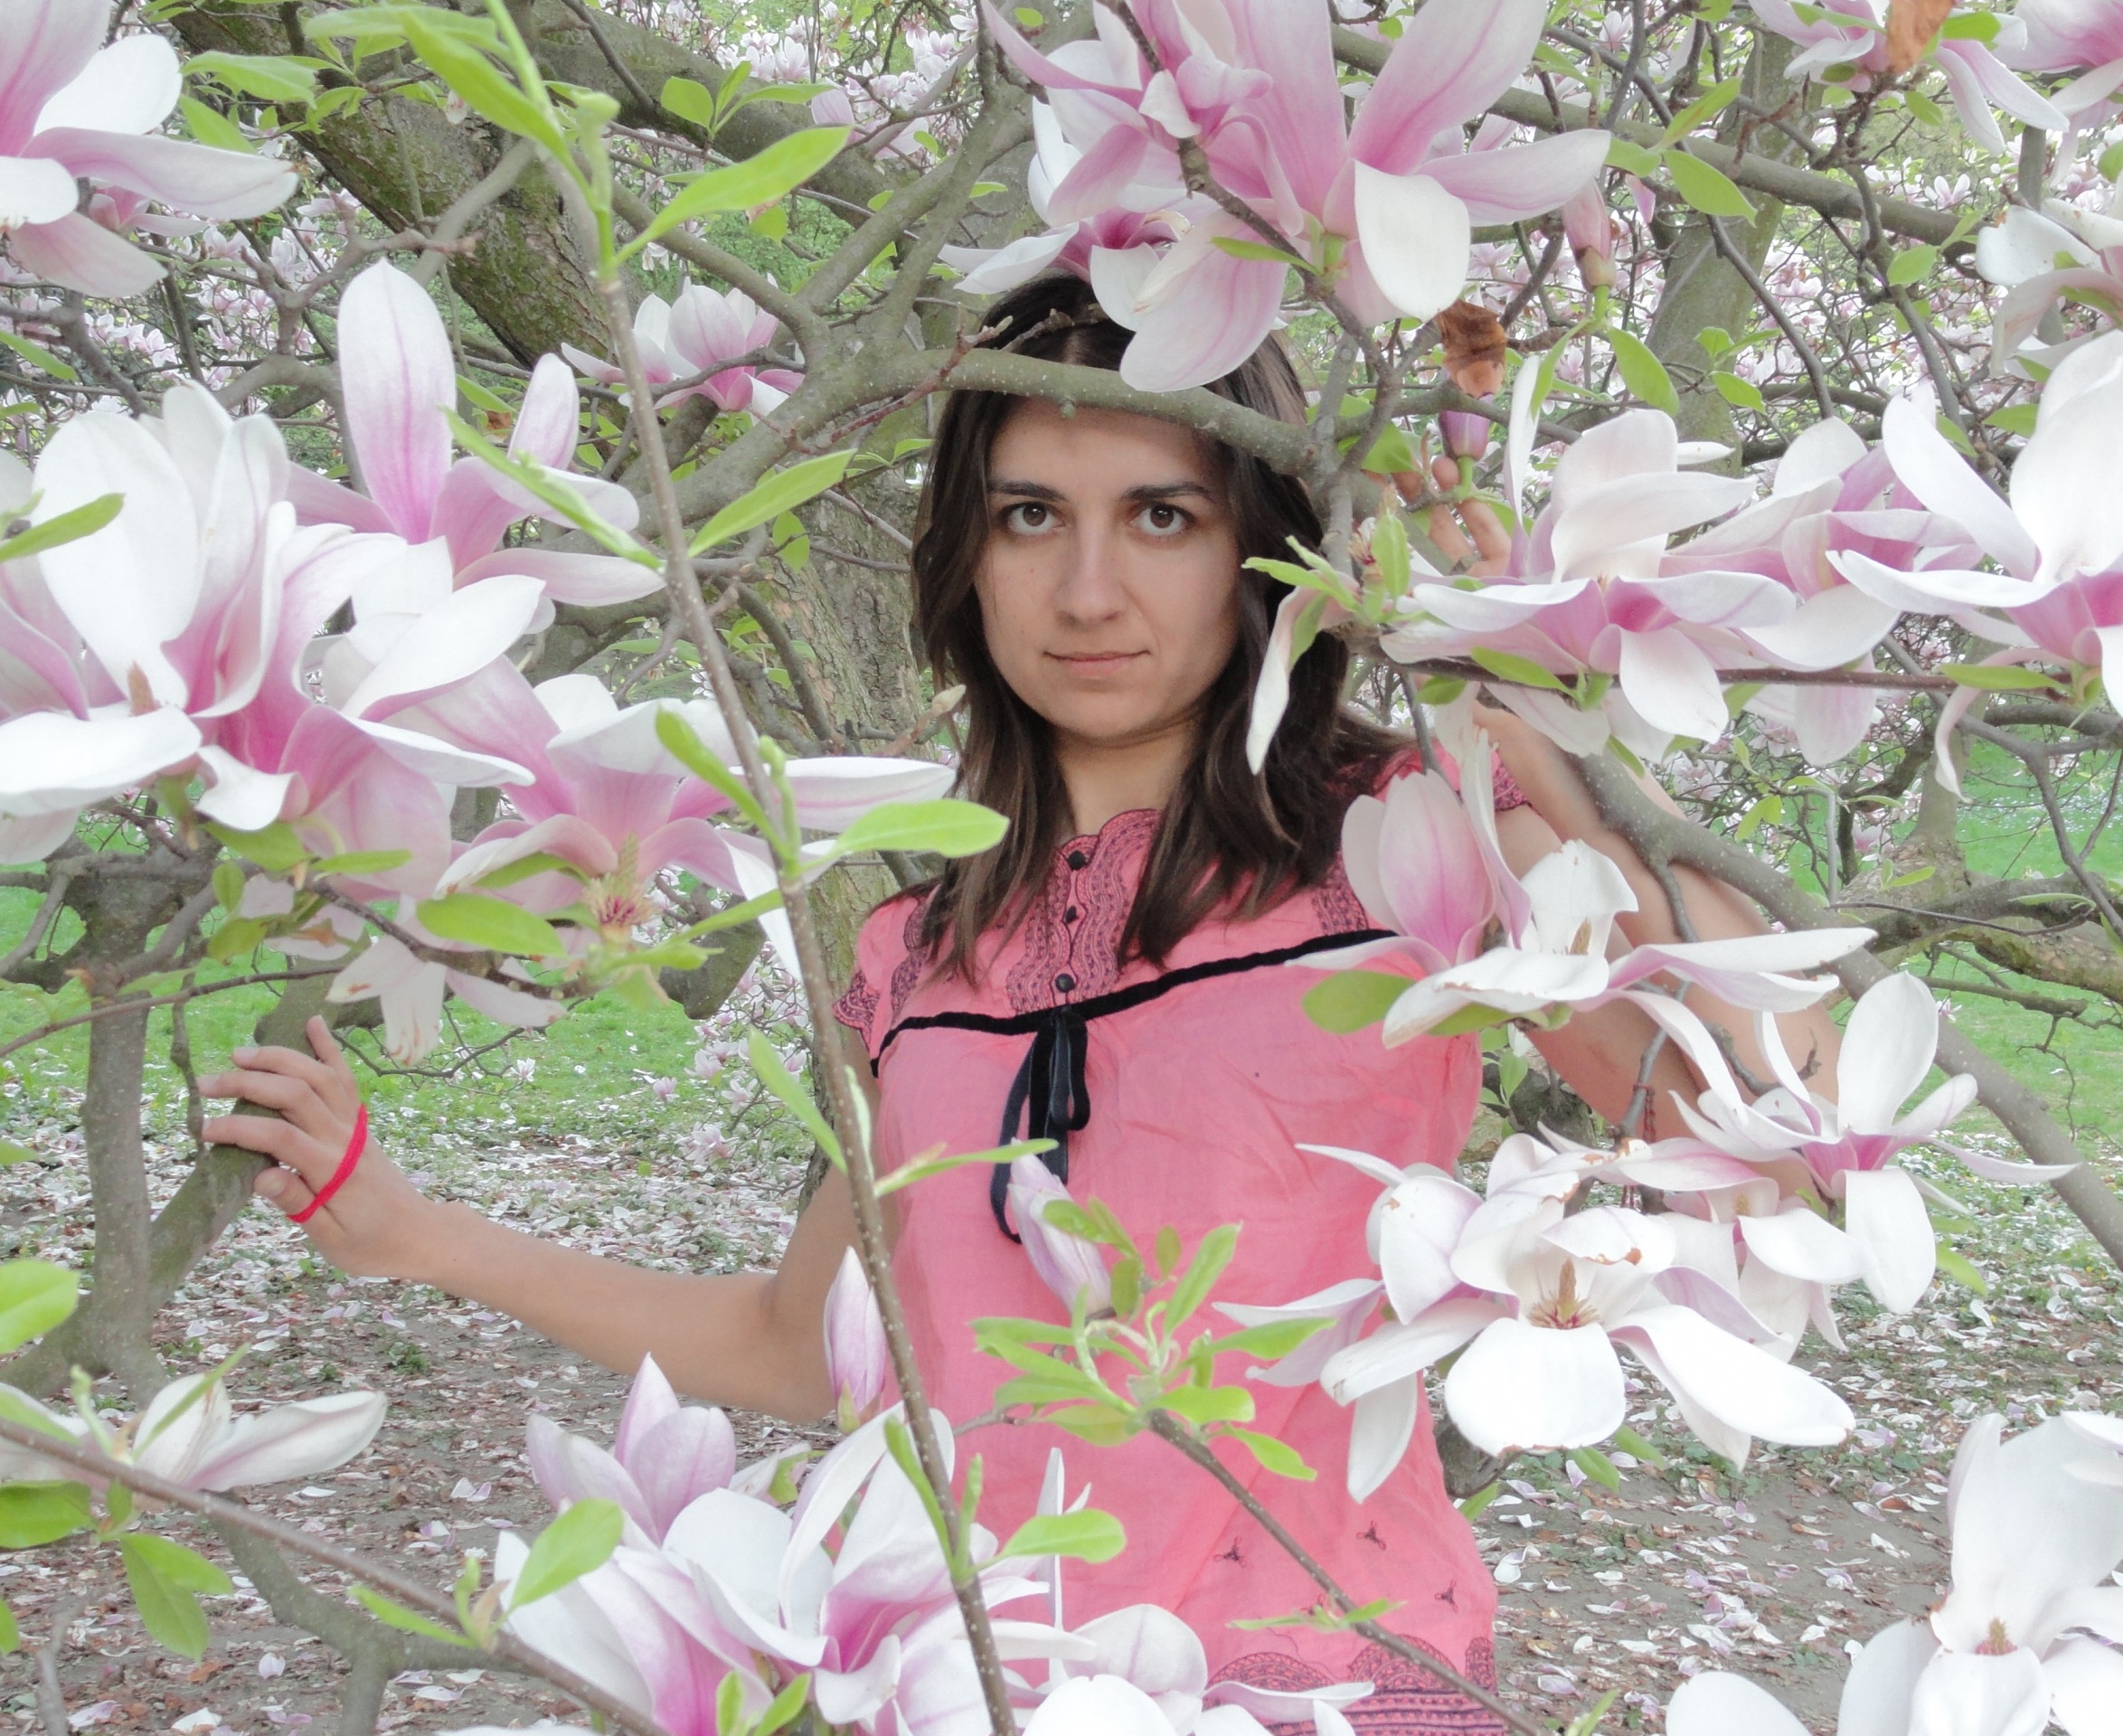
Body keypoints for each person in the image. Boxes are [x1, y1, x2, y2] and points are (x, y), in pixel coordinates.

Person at [200, 274, 1838, 1731]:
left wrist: (1531, 718)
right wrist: (412, 1234)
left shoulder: (1403, 847)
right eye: (1032, 515)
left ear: (1262, 549)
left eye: (1164, 516)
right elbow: (805, 1347)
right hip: (963, 1672)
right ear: (967, 558)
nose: (1088, 590)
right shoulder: (917, 951)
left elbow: (1783, 1115)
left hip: (1314, 1681)